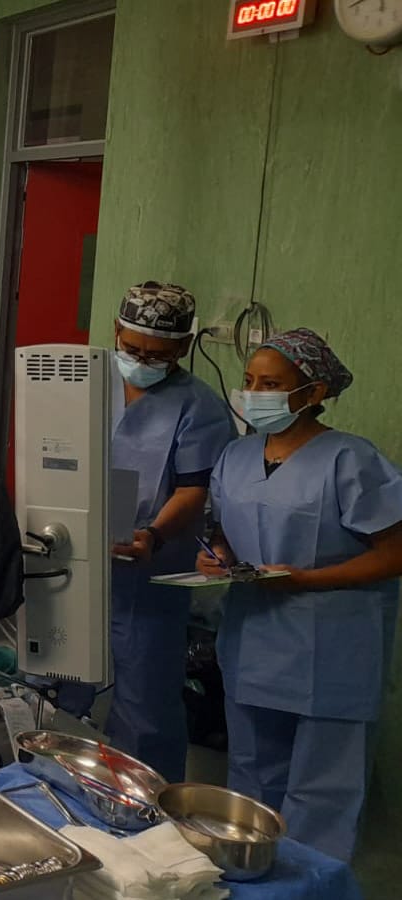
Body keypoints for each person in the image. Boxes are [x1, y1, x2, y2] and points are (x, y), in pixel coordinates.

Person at [197, 329, 402, 862]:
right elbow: (222, 530)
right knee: (251, 778)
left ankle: (311, 885)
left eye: (270, 384)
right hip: (253, 644)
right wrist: (215, 555)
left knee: (322, 790)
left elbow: (395, 552)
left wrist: (307, 580)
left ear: (313, 393)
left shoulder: (350, 459)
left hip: (332, 652)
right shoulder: (236, 456)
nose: (253, 393)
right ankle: (249, 877)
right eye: (248, 381)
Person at [93, 282, 235, 783]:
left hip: (148, 570)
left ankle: (146, 804)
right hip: (75, 559)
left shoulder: (198, 406)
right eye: (132, 348)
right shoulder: (88, 379)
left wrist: (152, 534)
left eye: (157, 355)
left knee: (145, 701)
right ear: (116, 330)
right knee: (56, 679)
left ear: (183, 347)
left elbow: (196, 488)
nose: (141, 361)